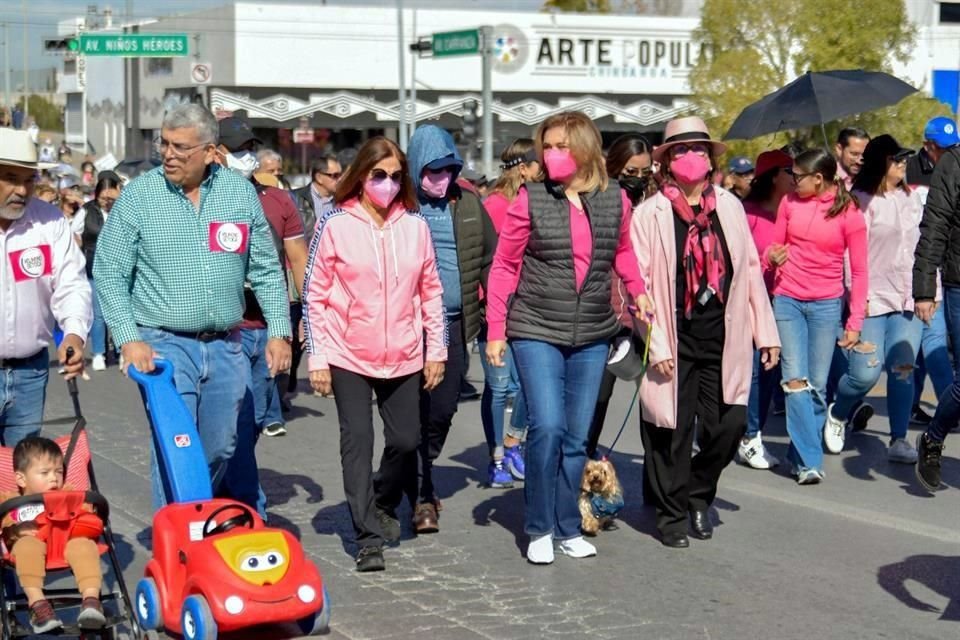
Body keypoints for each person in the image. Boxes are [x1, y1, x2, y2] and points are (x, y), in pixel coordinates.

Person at [93, 104, 292, 508]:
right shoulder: (140, 197)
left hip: (226, 345)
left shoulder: (238, 193)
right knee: (175, 445)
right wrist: (129, 339)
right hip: (163, 344)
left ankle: (198, 511)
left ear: (210, 152)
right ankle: (178, 540)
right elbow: (109, 271)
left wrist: (279, 331)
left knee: (222, 446)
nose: (168, 154)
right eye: (164, 143)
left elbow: (268, 269)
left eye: (181, 147)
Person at [485, 111, 652, 564]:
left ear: (585, 148)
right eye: (548, 146)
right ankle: (538, 526)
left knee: (577, 436)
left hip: (593, 331)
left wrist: (639, 293)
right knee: (549, 426)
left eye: (562, 145)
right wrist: (496, 330)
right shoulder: (531, 199)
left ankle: (565, 525)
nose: (552, 154)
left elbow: (622, 251)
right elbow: (503, 266)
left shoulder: (614, 198)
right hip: (536, 327)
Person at [631, 117, 779, 548]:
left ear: (711, 159)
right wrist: (653, 342)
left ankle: (699, 493)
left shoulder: (730, 207)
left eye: (699, 149)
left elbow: (750, 271)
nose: (691, 158)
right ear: (666, 162)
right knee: (671, 432)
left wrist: (765, 333)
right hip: (673, 335)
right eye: (681, 151)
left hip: (723, 336)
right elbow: (637, 283)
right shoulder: (649, 215)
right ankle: (672, 515)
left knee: (728, 426)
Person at [303, 136, 447, 572]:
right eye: (378, 175)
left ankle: (383, 498)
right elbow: (315, 294)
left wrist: (435, 349)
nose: (387, 183)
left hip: (404, 353)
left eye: (395, 176)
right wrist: (318, 358)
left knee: (405, 441)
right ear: (362, 176)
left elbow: (431, 292)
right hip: (349, 353)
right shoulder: (334, 224)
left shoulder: (415, 226)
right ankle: (367, 536)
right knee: (358, 443)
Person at [405, 125, 497, 534]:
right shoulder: (401, 208)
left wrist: (497, 314)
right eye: (432, 169)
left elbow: (494, 261)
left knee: (441, 412)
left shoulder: (471, 205)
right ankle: (422, 495)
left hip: (457, 326)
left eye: (448, 168)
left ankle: (418, 466)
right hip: (408, 329)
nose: (440, 177)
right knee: (411, 416)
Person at [215, 118, 308, 517]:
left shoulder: (278, 200)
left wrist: (306, 316)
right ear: (215, 152)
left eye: (249, 146)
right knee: (224, 426)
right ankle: (248, 505)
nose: (245, 155)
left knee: (251, 423)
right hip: (222, 331)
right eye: (237, 148)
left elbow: (299, 260)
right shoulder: (201, 200)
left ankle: (231, 494)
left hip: (268, 328)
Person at [766, 148, 867, 484]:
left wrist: (854, 323)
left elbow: (861, 271)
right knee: (795, 379)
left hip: (826, 304)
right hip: (788, 300)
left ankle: (798, 454)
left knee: (817, 386)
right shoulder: (789, 204)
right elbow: (772, 247)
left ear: (819, 179)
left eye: (798, 177)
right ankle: (810, 461)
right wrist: (773, 257)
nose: (793, 182)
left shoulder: (849, 211)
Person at [824, 135, 922, 464]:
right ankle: (838, 412)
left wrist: (928, 291)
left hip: (908, 298)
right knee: (866, 372)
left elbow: (926, 246)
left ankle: (898, 439)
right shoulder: (859, 201)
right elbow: (850, 255)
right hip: (870, 299)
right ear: (881, 163)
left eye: (905, 159)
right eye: (896, 159)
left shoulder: (914, 198)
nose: (903, 164)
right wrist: (855, 295)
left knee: (903, 369)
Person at [0, 128, 90, 447]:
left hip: (30, 373)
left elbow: (71, 284)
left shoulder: (50, 222)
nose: (22, 189)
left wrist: (74, 335)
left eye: (29, 179)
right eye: (11, 178)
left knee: (20, 483)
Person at [586, 133, 657, 460]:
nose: (638, 180)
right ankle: (582, 470)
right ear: (613, 169)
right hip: (605, 317)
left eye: (645, 173)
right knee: (595, 402)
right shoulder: (599, 201)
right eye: (630, 172)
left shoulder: (656, 205)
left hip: (646, 317)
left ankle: (654, 485)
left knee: (653, 405)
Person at [478, 139, 540, 487]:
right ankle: (497, 456)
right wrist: (486, 305)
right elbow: (484, 258)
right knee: (499, 386)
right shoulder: (494, 206)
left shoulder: (541, 200)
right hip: (497, 306)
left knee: (530, 383)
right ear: (522, 167)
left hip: (532, 305)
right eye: (537, 164)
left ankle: (515, 441)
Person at [2, 437, 106, 633]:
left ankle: (91, 602)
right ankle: (37, 604)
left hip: (66, 544)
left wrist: (84, 513)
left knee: (84, 545)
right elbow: (4, 526)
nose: (54, 478)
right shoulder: (10, 500)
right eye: (45, 473)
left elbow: (87, 511)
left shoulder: (68, 493)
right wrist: (15, 530)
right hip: (30, 547)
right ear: (21, 479)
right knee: (27, 546)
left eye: (59, 472)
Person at [738, 149, 794, 470]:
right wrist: (766, 261)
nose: (795, 177)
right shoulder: (747, 214)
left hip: (784, 300)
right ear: (774, 176)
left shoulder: (794, 211)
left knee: (772, 372)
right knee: (757, 370)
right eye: (789, 171)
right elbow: (737, 264)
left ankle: (750, 431)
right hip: (751, 302)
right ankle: (750, 436)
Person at [914, 113, 960, 492]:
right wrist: (925, 289)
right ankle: (932, 438)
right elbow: (935, 226)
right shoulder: (952, 165)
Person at [77, 172, 123, 371]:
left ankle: (123, 351)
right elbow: (74, 232)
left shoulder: (124, 209)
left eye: (111, 198)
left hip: (120, 268)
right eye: (103, 198)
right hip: (93, 267)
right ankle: (99, 353)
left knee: (121, 312)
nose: (107, 202)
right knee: (98, 314)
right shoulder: (87, 210)